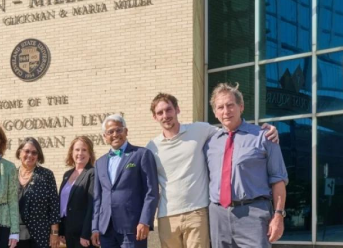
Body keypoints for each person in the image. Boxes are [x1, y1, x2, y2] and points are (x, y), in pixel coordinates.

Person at [146, 93, 279, 248]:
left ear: (177, 109)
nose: (165, 115)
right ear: (155, 117)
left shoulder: (200, 130)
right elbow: (148, 185)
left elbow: (231, 132)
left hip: (197, 213)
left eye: (168, 110)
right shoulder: (152, 147)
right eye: (160, 113)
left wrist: (264, 131)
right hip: (166, 216)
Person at [205, 83, 288, 248]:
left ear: (241, 106)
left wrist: (279, 215)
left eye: (230, 105)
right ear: (215, 113)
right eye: (220, 107)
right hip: (218, 215)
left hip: (253, 213)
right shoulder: (209, 142)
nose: (226, 111)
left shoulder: (264, 137)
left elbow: (278, 180)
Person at [91, 114, 159, 248]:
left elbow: (151, 192)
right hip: (106, 229)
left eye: (119, 130)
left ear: (126, 131)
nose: (115, 134)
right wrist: (95, 228)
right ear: (105, 137)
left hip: (132, 227)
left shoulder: (141, 154)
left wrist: (145, 221)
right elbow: (98, 198)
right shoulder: (100, 163)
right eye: (110, 132)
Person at [15, 137, 60, 248]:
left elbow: (54, 206)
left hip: (40, 235)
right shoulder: (11, 175)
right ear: (20, 152)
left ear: (38, 156)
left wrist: (54, 233)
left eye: (34, 153)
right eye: (27, 151)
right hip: (15, 236)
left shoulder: (46, 175)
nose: (30, 155)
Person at [58, 136, 95, 248]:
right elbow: (63, 205)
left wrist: (86, 234)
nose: (80, 153)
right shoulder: (67, 174)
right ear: (72, 152)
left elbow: (92, 206)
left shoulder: (92, 173)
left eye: (84, 150)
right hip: (69, 231)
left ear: (90, 154)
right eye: (77, 150)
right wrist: (61, 231)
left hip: (82, 234)